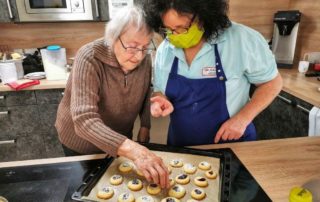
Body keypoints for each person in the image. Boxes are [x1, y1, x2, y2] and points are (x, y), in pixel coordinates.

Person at [55, 6, 169, 188]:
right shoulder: (89, 57)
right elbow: (84, 120)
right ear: (113, 38)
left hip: (120, 140)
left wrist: (145, 126)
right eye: (132, 47)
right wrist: (136, 151)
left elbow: (146, 90)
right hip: (81, 145)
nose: (139, 55)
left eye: (145, 47)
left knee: (118, 188)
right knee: (87, 188)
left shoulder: (144, 57)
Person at [143, 0, 283, 146]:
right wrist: (159, 99)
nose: (175, 35)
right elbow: (160, 90)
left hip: (232, 147)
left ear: (203, 16)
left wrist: (242, 119)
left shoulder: (241, 39)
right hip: (182, 148)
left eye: (182, 28)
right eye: (168, 30)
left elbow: (272, 82)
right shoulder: (165, 50)